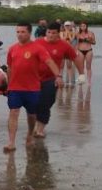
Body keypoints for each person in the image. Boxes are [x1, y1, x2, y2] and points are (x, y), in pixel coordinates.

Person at [4, 23, 60, 153]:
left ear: (29, 33)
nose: (20, 34)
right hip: (15, 88)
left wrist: (58, 76)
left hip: (32, 88)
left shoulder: (38, 48)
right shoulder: (12, 49)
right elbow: (10, 68)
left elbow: (49, 62)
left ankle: (30, 134)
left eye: (23, 32)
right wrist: (8, 85)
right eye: (18, 32)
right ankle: (11, 142)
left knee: (32, 115)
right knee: (13, 112)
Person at [33, 23, 86, 138]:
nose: (51, 35)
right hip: (35, 78)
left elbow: (75, 58)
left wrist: (82, 74)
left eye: (54, 33)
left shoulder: (64, 45)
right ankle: (37, 125)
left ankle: (40, 129)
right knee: (35, 104)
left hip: (53, 78)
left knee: (47, 103)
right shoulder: (37, 43)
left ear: (59, 33)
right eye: (49, 32)